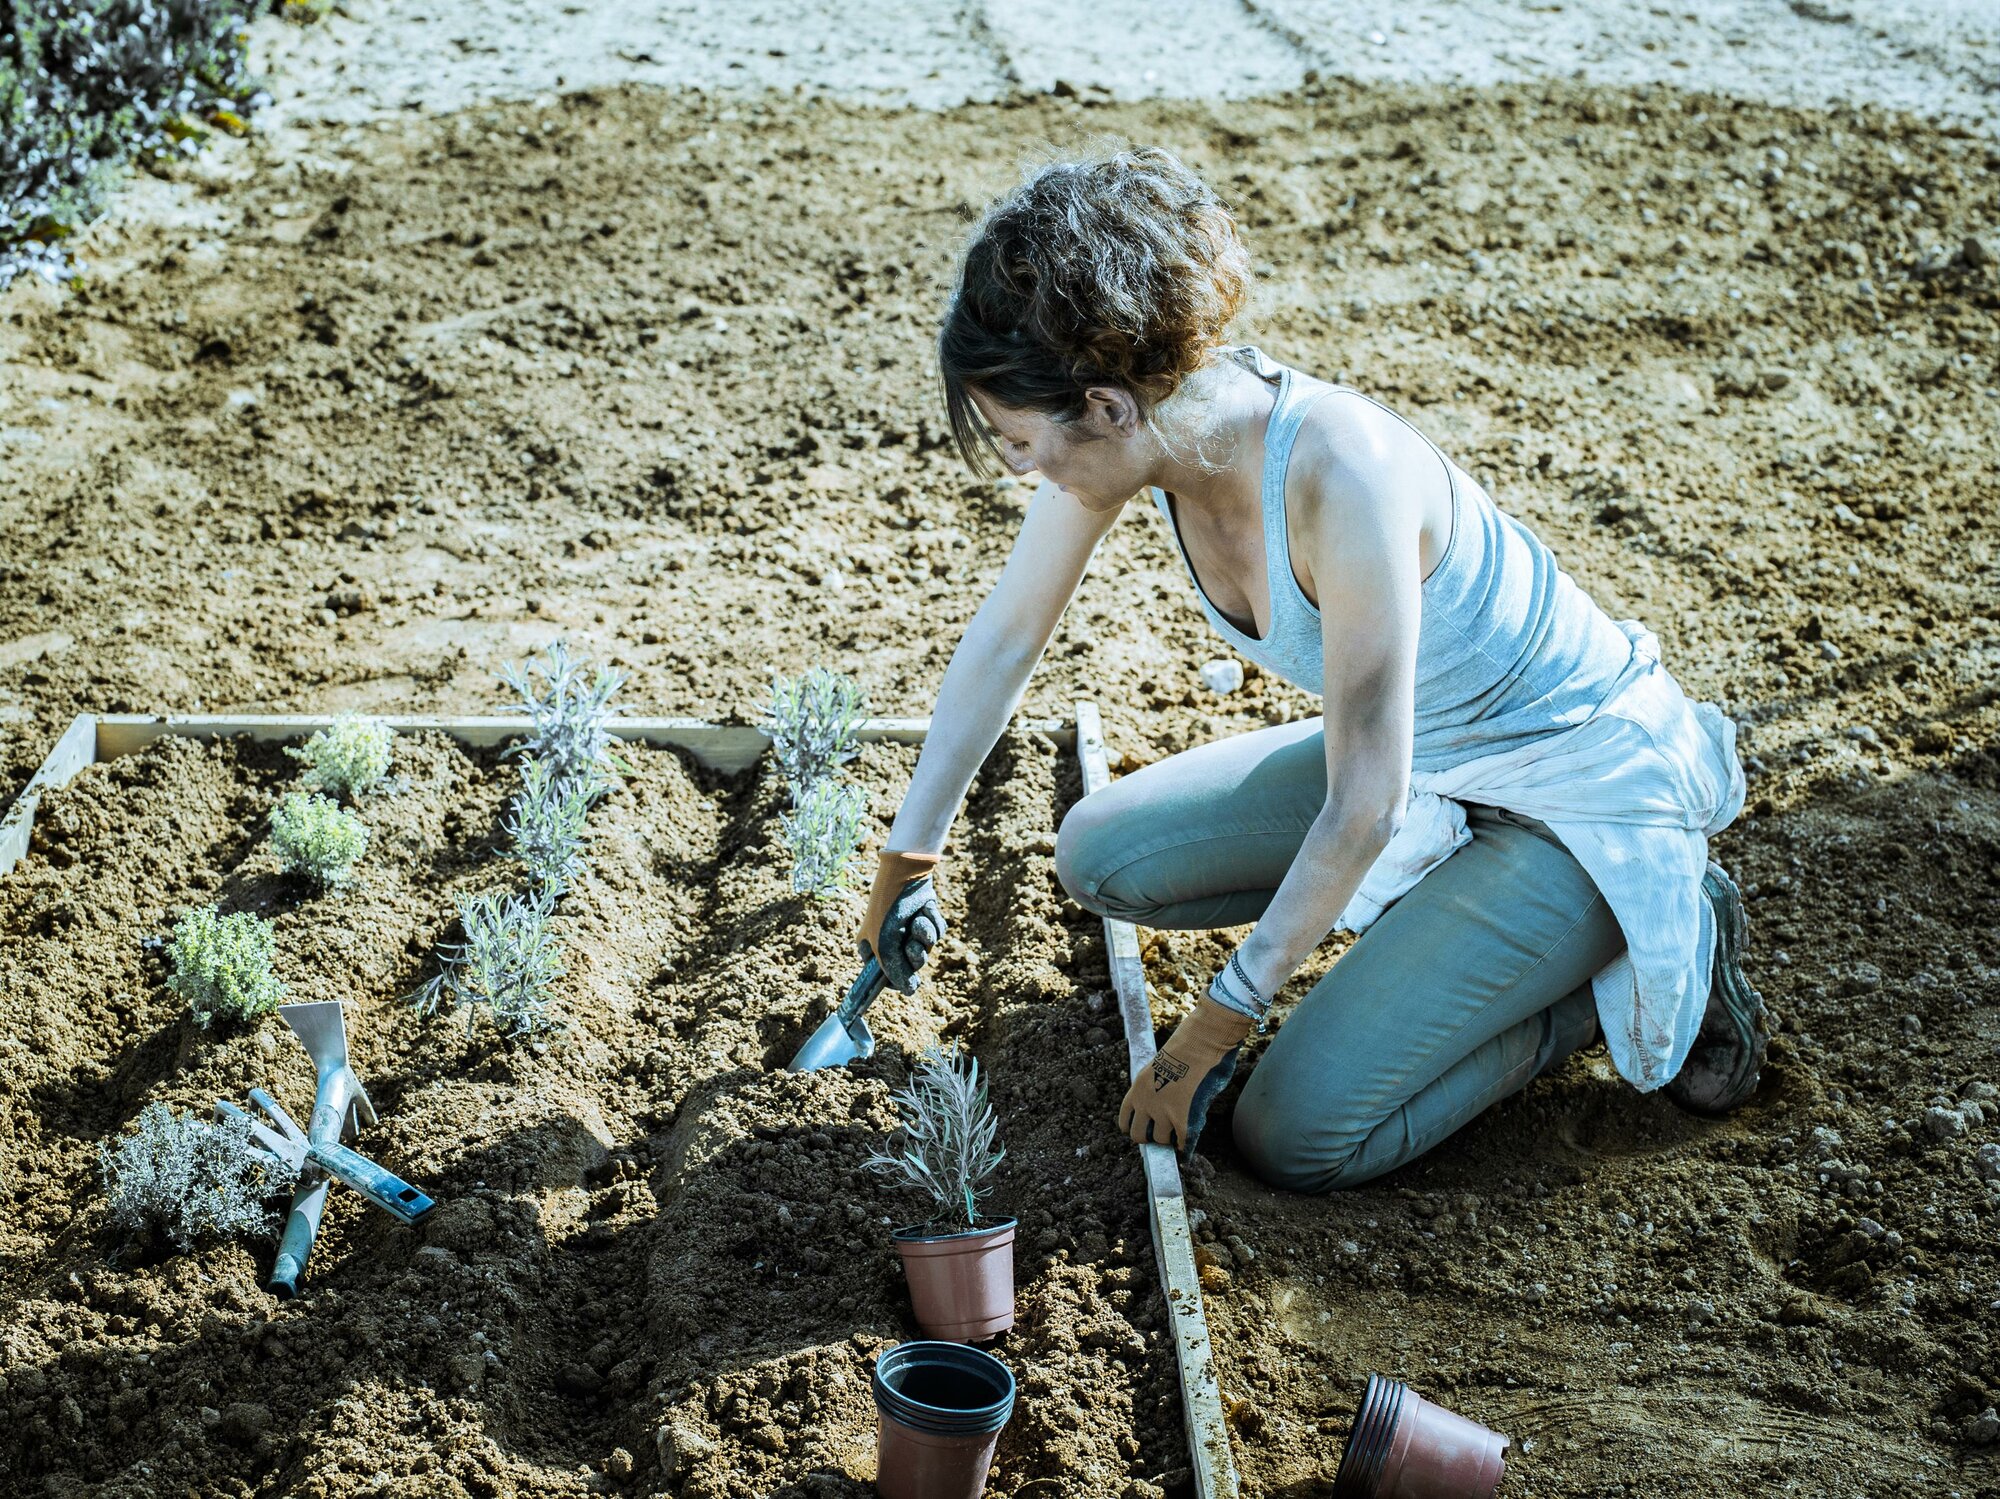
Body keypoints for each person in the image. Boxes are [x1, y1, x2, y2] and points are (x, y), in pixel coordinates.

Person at [854, 148, 1765, 1194]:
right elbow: (1008, 635)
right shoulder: (1147, 437)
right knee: (1101, 855)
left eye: (1020, 441)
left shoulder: (1343, 475)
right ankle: (1484, 948)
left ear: (1106, 406)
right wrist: (908, 856)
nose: (1022, 467)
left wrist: (1215, 1022)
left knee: (1291, 1134)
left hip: (1575, 796)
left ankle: (1610, 970)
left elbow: (1365, 800)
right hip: (1432, 763)